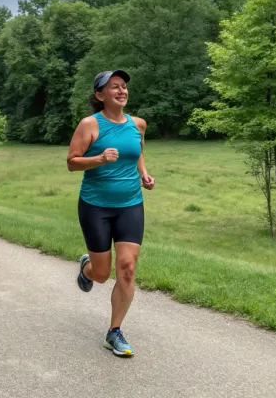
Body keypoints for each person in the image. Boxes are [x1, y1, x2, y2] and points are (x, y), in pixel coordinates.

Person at [66, 70, 155, 357]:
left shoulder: (138, 124)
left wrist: (143, 173)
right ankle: (87, 267)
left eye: (124, 86)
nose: (121, 90)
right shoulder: (90, 125)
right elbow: (72, 162)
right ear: (99, 95)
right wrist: (99, 158)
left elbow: (137, 150)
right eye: (114, 87)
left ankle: (114, 332)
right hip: (95, 206)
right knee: (102, 275)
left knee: (127, 268)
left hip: (130, 204)